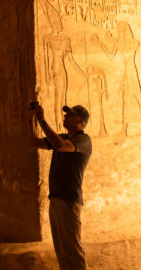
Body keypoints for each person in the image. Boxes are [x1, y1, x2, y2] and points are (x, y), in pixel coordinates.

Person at [28, 103, 92, 270]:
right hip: (56, 199)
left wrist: (42, 120)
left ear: (81, 121)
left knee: (73, 252)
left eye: (70, 114)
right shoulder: (63, 137)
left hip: (69, 201)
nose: (65, 116)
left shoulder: (83, 140)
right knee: (62, 252)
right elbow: (33, 142)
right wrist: (31, 121)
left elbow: (61, 146)